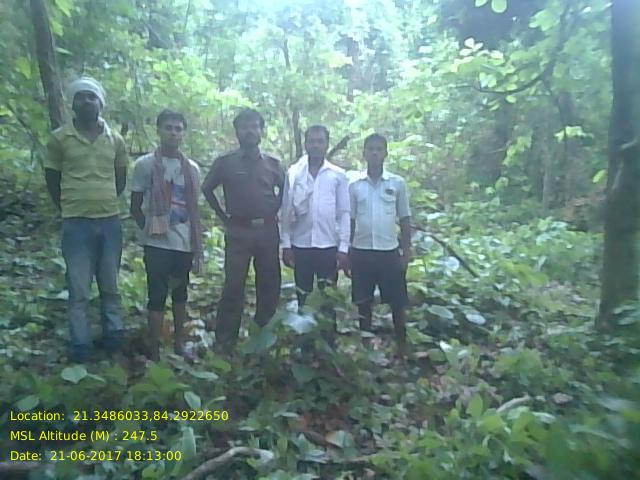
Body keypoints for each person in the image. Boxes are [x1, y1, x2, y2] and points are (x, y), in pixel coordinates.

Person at [44, 77, 128, 363]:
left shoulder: (115, 140)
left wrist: (102, 199)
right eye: (80, 97)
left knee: (110, 285)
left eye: (92, 97)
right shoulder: (59, 139)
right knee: (79, 289)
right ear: (73, 103)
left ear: (100, 103)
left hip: (109, 221)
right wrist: (70, 206)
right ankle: (81, 347)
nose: (86, 101)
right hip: (76, 224)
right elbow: (52, 179)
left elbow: (120, 179)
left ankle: (113, 340)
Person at [201, 109, 285, 350]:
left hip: (267, 231)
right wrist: (223, 216)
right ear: (237, 132)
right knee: (233, 286)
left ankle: (263, 338)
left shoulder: (273, 164)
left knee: (269, 284)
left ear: (261, 131)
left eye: (255, 126)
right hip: (238, 231)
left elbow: (286, 190)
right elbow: (207, 189)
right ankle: (225, 341)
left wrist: (274, 211)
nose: (250, 131)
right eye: (245, 126)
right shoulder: (225, 163)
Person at [130, 110, 202, 360]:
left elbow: (194, 208)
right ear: (159, 131)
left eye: (178, 128)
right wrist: (150, 230)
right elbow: (135, 206)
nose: (173, 133)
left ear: (183, 133)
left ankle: (179, 344)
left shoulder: (192, 169)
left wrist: (194, 241)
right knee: (157, 296)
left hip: (184, 242)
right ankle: (154, 349)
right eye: (168, 128)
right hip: (157, 244)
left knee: (180, 294)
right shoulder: (145, 165)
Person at [280, 125, 350, 331]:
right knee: (303, 295)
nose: (316, 145)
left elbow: (344, 212)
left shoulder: (338, 175)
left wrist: (343, 247)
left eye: (320, 141)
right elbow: (286, 211)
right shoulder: (294, 173)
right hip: (301, 245)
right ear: (305, 144)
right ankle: (306, 340)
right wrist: (286, 244)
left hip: (327, 245)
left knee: (327, 295)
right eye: (312, 141)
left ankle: (328, 339)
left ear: (327, 144)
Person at [348, 133, 412, 356]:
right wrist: (346, 250)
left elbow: (405, 218)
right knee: (363, 301)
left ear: (386, 153)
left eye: (379, 149)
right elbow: (350, 220)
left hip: (389, 251)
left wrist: (406, 251)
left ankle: (401, 345)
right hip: (362, 251)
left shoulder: (397, 183)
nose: (374, 153)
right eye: (370, 149)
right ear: (364, 153)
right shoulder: (354, 185)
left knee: (397, 301)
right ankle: (366, 347)